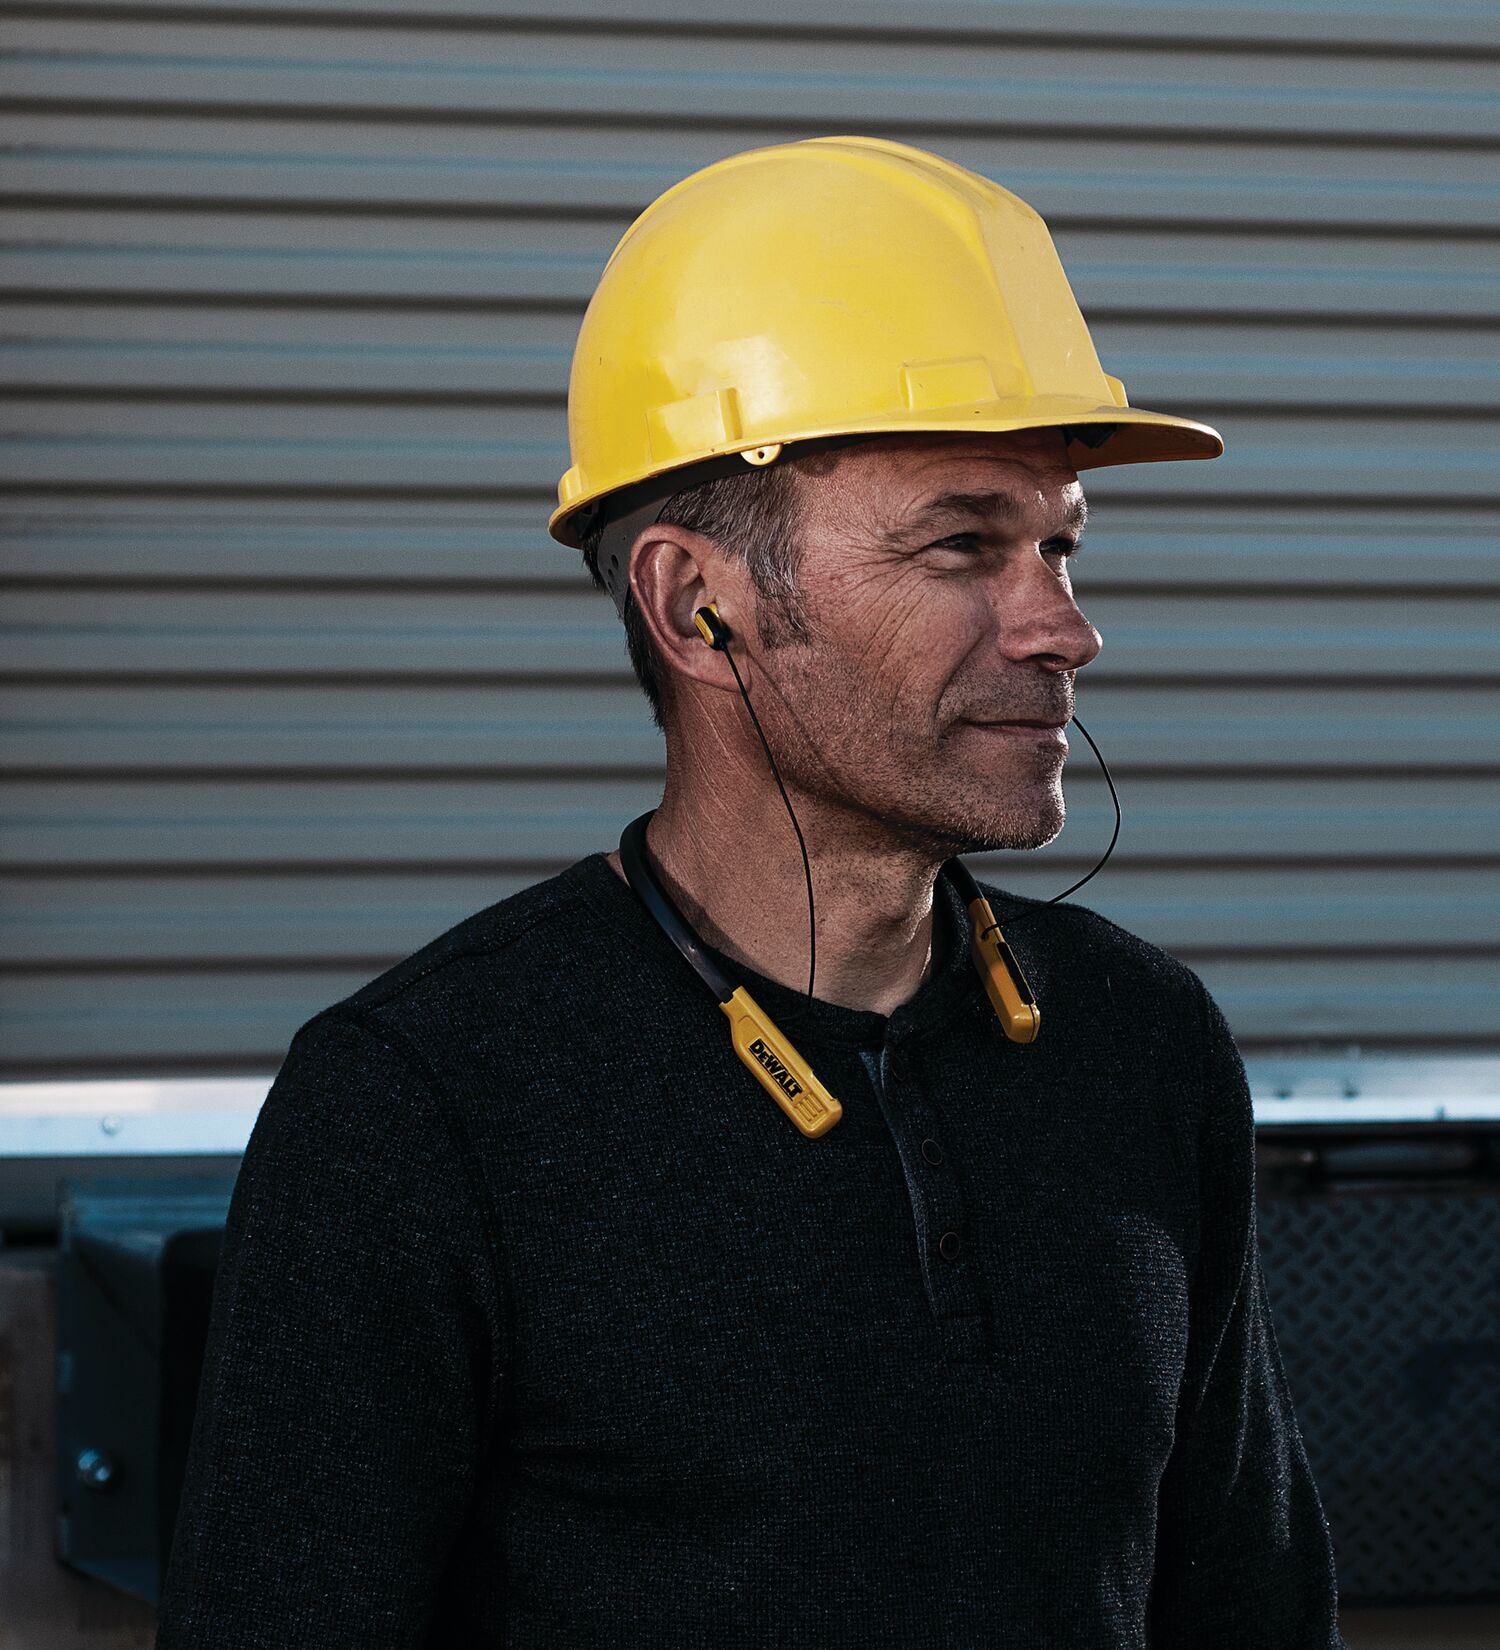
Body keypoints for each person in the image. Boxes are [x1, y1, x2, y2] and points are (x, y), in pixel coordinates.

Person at [157, 136, 1347, 1648]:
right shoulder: (421, 1110)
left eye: (1059, 544)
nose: (1064, 627)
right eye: (965, 542)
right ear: (693, 601)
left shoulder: (1145, 1048)